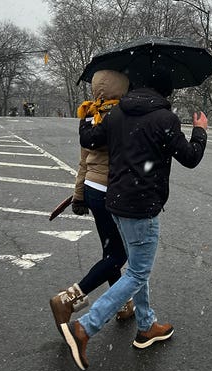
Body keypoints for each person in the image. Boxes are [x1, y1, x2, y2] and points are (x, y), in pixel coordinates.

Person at [60, 66, 208, 371]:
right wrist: (200, 131)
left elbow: (89, 139)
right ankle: (84, 327)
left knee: (136, 267)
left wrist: (88, 115)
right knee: (138, 273)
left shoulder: (116, 114)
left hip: (115, 202)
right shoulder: (164, 118)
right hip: (142, 207)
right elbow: (190, 158)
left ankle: (146, 326)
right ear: (165, 92)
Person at [49, 70, 135, 329]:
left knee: (111, 251)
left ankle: (122, 305)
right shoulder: (125, 115)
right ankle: (69, 298)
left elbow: (84, 159)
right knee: (119, 255)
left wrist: (79, 194)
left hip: (93, 190)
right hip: (114, 190)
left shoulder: (90, 113)